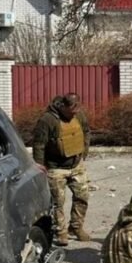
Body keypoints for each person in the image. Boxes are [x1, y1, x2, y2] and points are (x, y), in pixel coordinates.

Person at [32, 93, 91, 246]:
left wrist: (84, 151)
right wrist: (40, 165)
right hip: (56, 168)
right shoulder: (48, 120)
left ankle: (76, 227)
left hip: (77, 165)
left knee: (82, 197)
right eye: (72, 109)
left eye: (77, 108)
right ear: (63, 106)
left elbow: (86, 132)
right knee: (58, 202)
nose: (75, 112)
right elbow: (39, 144)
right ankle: (61, 232)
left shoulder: (79, 116)